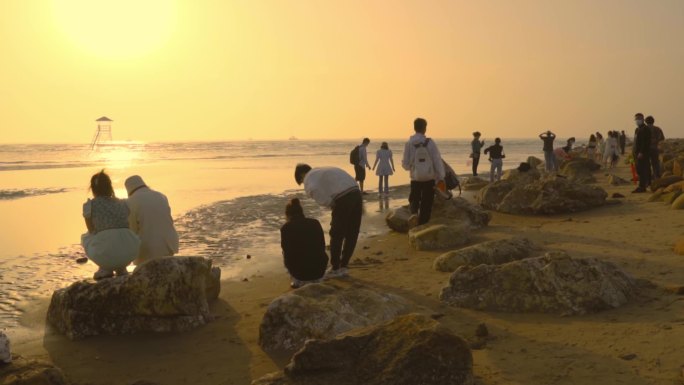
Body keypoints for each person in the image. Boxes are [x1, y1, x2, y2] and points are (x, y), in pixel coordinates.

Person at [294, 163, 362, 278]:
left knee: (336, 233)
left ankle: (335, 267)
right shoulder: (322, 170)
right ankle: (344, 266)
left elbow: (314, 190)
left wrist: (330, 204)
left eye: (301, 181)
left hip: (343, 197)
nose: (303, 183)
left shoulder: (309, 178)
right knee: (352, 233)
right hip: (356, 192)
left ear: (301, 175)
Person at [81, 170, 140, 280]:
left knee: (87, 237)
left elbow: (91, 229)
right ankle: (121, 268)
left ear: (93, 189)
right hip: (129, 251)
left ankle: (105, 268)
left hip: (106, 251)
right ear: (110, 187)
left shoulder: (89, 205)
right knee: (119, 233)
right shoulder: (123, 203)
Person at [124, 175, 179, 265]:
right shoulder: (161, 196)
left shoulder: (130, 202)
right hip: (170, 245)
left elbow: (132, 231)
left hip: (149, 250)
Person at [401, 117, 446, 227]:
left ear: (414, 128)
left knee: (414, 198)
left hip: (415, 178)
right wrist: (441, 176)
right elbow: (437, 160)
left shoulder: (409, 143)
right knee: (427, 202)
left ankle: (414, 214)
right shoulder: (430, 143)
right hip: (429, 178)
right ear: (424, 128)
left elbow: (405, 164)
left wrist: (412, 168)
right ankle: (423, 224)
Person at [280, 198, 328, 288]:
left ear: (288, 214)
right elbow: (322, 245)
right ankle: (315, 278)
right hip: (319, 270)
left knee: (284, 252)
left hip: (299, 273)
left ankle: (297, 281)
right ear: (302, 212)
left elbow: (287, 252)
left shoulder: (286, 228)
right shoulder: (315, 223)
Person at [632, 113, 651, 193]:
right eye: (636, 119)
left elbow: (645, 142)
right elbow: (635, 142)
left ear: (643, 119)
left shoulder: (645, 129)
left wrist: (641, 152)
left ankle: (643, 186)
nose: (637, 120)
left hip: (642, 153)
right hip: (636, 153)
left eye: (639, 118)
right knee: (638, 169)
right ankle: (643, 184)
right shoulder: (637, 129)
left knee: (644, 169)